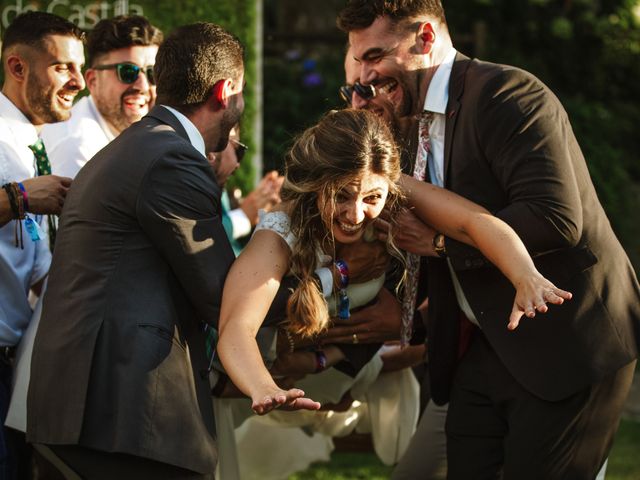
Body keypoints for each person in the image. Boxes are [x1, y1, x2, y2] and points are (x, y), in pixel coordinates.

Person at [338, 1, 640, 478]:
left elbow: (555, 217)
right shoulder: (403, 118)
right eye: (360, 61)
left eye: (376, 56)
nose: (368, 75)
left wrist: (440, 243)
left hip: (567, 339)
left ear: (425, 38)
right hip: (484, 345)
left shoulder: (507, 94)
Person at [217, 108, 571, 418]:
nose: (355, 214)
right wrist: (263, 386)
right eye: (341, 195)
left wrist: (524, 275)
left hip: (340, 377)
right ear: (317, 184)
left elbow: (474, 222)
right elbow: (237, 326)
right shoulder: (283, 227)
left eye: (372, 197)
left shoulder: (392, 191)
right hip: (253, 380)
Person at [26, 22, 248, 479]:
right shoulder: (171, 157)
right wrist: (327, 283)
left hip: (85, 413)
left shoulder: (138, 145)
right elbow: (222, 295)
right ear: (225, 91)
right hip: (122, 421)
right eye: (242, 95)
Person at [0, 11, 83, 477]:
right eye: (62, 68)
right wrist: (21, 197)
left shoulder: (31, 142)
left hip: (15, 362)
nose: (78, 82)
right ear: (18, 68)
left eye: (78, 68)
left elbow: (34, 265)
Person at [41, 15, 163, 179]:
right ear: (93, 81)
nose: (143, 86)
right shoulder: (77, 150)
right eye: (127, 72)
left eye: (152, 73)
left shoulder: (149, 135)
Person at [207, 124, 283, 255]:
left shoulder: (220, 191)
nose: (238, 164)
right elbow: (201, 237)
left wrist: (254, 211)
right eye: (238, 149)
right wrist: (244, 216)